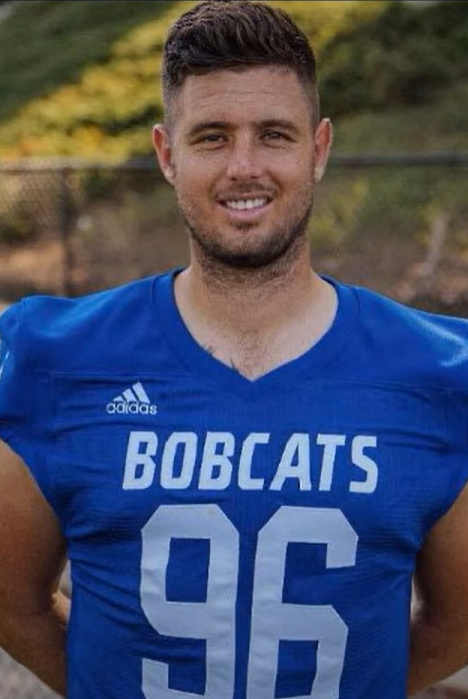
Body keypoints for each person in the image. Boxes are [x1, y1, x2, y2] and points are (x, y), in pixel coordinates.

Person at [1, 1, 468, 698]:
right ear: (167, 154)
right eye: (212, 136)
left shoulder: (437, 373)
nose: (243, 167)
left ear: (319, 149)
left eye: (274, 134)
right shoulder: (59, 358)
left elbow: (456, 619)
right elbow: (15, 602)